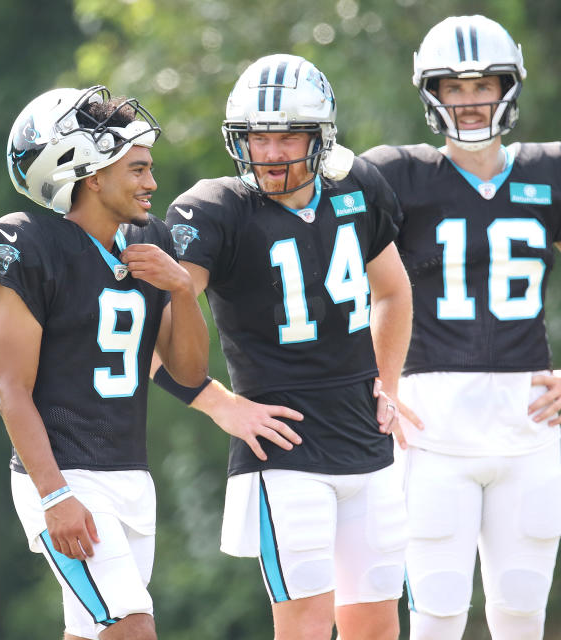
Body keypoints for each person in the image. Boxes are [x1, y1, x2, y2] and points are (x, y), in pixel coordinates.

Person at [359, 15, 561, 639]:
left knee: (521, 611)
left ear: (509, 86)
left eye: (483, 83)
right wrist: (382, 381)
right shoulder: (398, 178)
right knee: (437, 608)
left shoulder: (553, 172)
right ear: (431, 95)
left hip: (526, 421)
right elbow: (355, 288)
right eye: (453, 88)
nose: (470, 100)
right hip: (431, 424)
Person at [160, 54, 413, 640]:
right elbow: (156, 334)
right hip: (286, 446)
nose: (270, 152)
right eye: (257, 137)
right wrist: (218, 403)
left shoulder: (359, 186)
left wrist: (388, 385)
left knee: (376, 627)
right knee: (303, 626)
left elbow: (395, 294)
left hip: (366, 439)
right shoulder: (216, 209)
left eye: (286, 136)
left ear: (320, 137)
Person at [0, 86, 208, 640]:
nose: (151, 183)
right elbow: (11, 391)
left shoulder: (154, 242)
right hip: (64, 473)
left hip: (130, 472)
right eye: (138, 169)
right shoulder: (28, 244)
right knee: (132, 628)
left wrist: (184, 292)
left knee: (92, 633)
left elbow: (189, 373)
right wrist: (54, 495)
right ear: (92, 174)